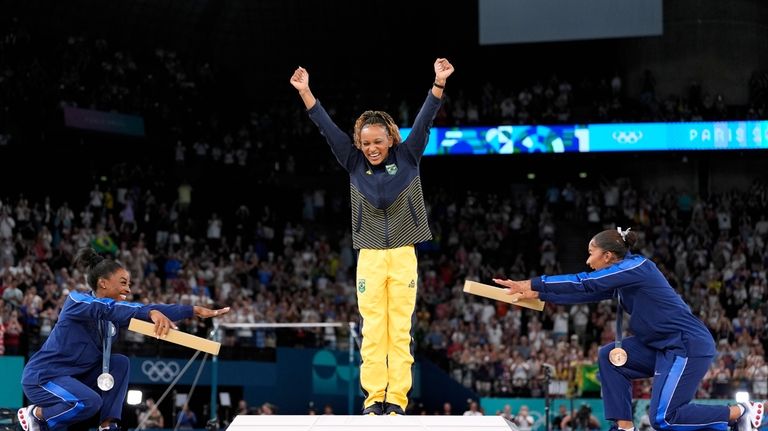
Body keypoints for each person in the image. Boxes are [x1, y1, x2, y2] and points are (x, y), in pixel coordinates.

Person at [290, 58, 454, 416]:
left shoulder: (409, 156)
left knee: (400, 331)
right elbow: (326, 128)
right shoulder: (352, 162)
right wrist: (305, 92)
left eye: (377, 141)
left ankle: (395, 400)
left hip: (403, 254)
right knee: (372, 330)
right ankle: (372, 399)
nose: (371, 148)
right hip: (370, 257)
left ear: (390, 138)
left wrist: (438, 84)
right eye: (365, 143)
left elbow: (425, 119)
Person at [494, 228, 765, 431]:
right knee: (609, 357)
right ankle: (624, 428)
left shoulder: (639, 267)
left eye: (591, 254)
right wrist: (538, 296)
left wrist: (533, 283)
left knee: (663, 418)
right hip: (660, 346)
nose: (588, 261)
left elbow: (585, 282)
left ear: (608, 255)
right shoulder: (623, 277)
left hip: (686, 345)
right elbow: (587, 294)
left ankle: (740, 411)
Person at [17, 247, 230, 431]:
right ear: (102, 283)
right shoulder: (76, 301)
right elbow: (113, 308)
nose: (128, 289)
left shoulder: (114, 316)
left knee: (120, 363)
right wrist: (149, 313)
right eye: (123, 283)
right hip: (44, 377)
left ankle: (108, 424)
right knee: (89, 401)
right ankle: (36, 415)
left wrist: (191, 310)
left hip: (76, 378)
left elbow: (138, 310)